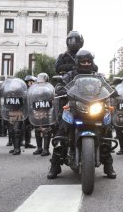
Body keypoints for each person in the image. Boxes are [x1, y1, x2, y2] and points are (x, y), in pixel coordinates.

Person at [47, 50, 116, 179]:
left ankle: (108, 164)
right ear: (78, 62)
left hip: (95, 109)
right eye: (83, 61)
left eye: (88, 61)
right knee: (61, 131)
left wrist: (113, 90)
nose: (86, 63)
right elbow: (61, 84)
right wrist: (59, 88)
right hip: (74, 108)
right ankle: (55, 165)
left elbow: (106, 87)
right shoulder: (70, 75)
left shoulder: (98, 76)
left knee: (107, 129)